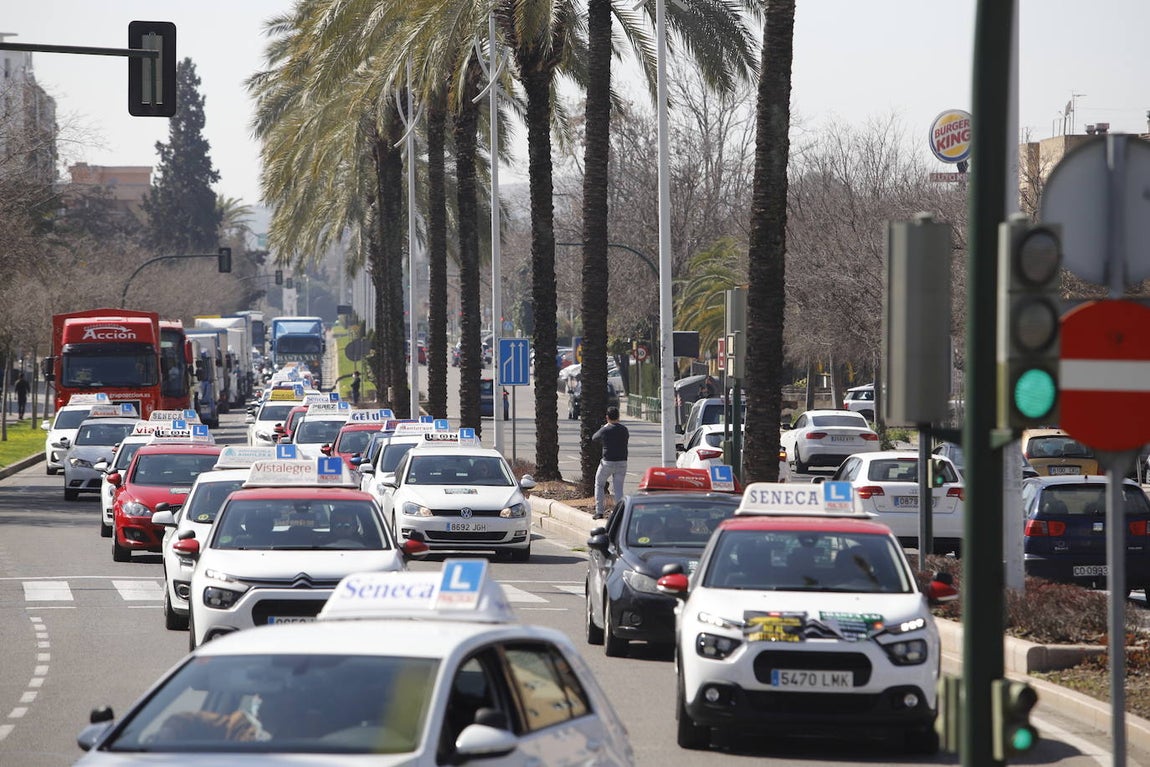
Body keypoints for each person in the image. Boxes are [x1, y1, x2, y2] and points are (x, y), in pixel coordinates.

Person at [591, 406, 629, 520]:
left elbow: (594, 438)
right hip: (622, 462)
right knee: (618, 489)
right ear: (618, 417)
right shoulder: (624, 429)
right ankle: (619, 514)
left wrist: (606, 426)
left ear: (607, 417)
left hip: (607, 462)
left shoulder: (605, 430)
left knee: (599, 484)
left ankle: (599, 511)